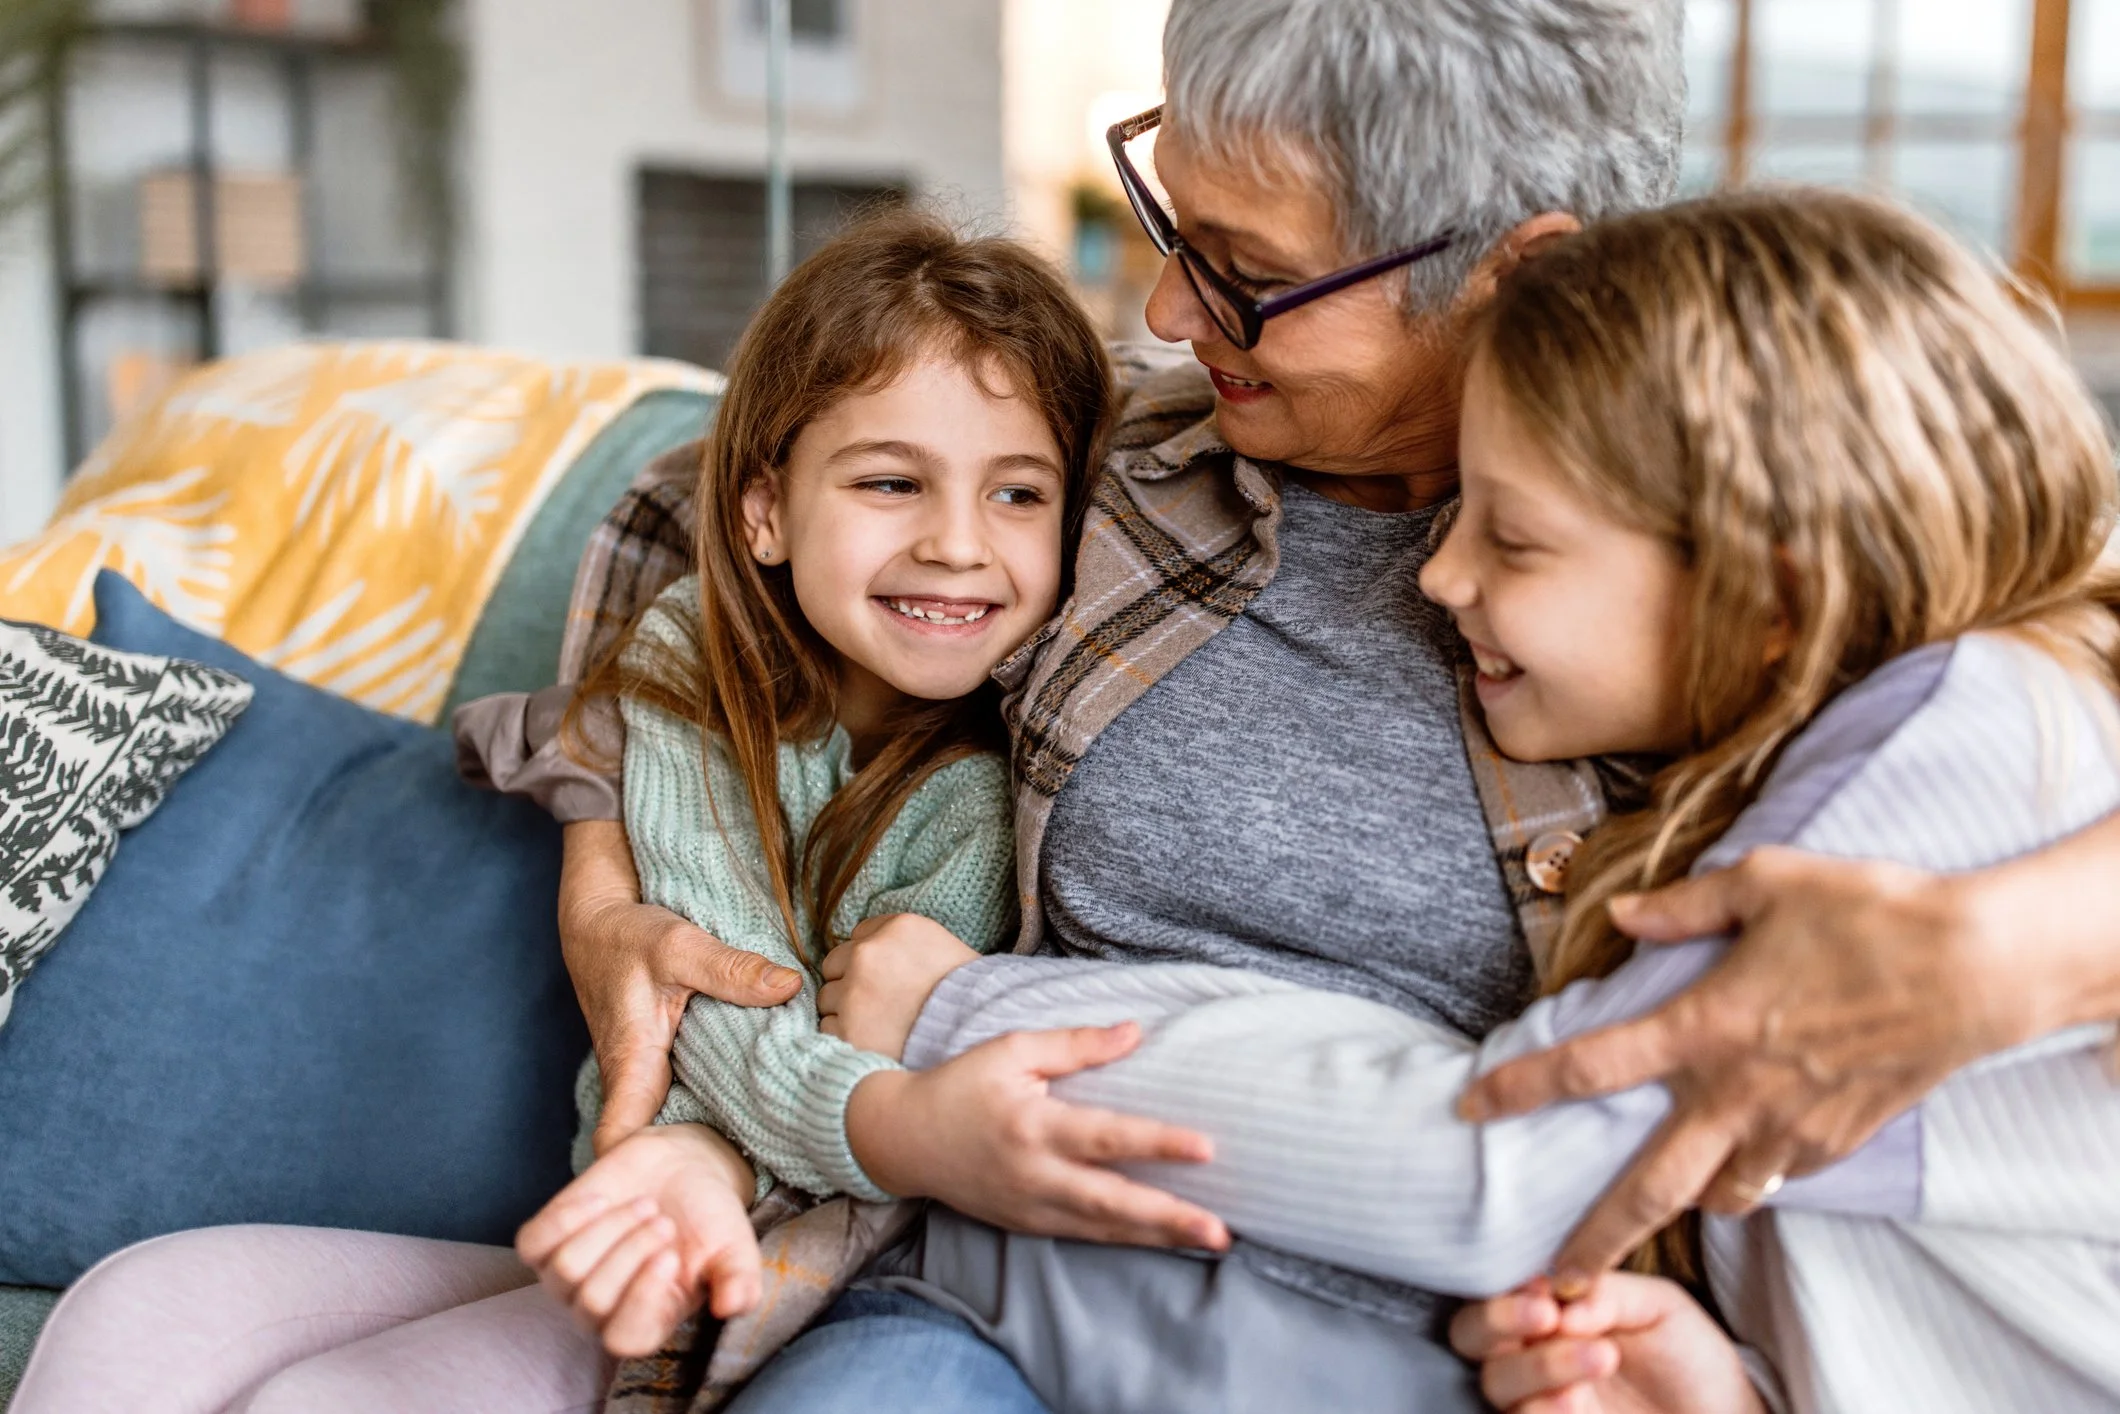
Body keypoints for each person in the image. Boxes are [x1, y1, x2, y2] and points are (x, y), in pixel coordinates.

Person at [560, 0, 2120, 1324]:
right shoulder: (1129, 457)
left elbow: (2048, 646)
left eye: (1239, 265)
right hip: (978, 1278)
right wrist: (607, 886)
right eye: (1168, 220)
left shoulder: (1741, 572)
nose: (1170, 310)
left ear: (1515, 271)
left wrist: (2025, 939)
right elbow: (688, 500)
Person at [883, 188, 2120, 1412]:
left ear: (1776, 596)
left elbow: (1494, 1169)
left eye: (1512, 538)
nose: (1441, 571)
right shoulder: (1867, 741)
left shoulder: (1972, 730)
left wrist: (951, 1012)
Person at [11, 211, 1119, 1413]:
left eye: (1017, 493)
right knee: (140, 1300)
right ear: (762, 512)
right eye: (891, 481)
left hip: (811, 1268)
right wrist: (686, 1151)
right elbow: (715, 964)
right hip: (635, 1204)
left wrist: (711, 1155)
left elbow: (869, 1075)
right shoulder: (691, 656)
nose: (957, 544)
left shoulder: (991, 783)